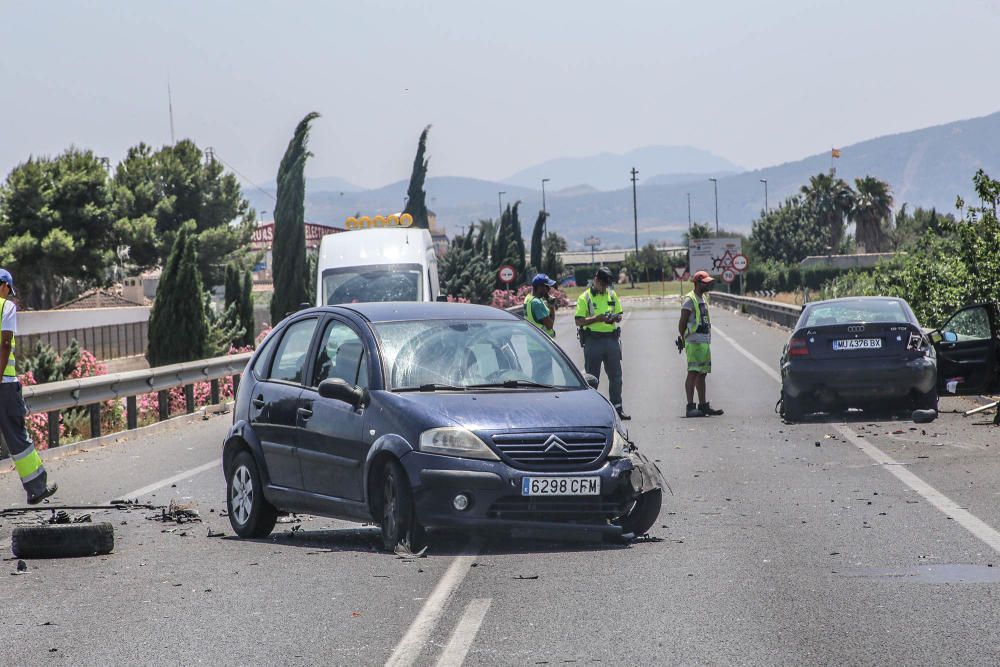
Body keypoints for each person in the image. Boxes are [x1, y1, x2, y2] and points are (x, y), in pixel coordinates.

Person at [0, 269, 58, 504]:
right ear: (4, 286)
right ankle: (36, 487)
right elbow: (4, 344)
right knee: (16, 436)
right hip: (4, 386)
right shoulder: (6, 307)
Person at [575, 267, 630, 420]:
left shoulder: (611, 294)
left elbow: (619, 314)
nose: (605, 287)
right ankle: (592, 413)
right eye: (603, 284)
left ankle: (617, 409)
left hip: (611, 340)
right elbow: (578, 320)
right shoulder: (584, 297)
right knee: (592, 378)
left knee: (616, 377)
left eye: (607, 285)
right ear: (596, 280)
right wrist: (597, 319)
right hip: (593, 341)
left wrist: (615, 318)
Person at [678, 270, 724, 418]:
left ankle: (703, 406)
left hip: (704, 342)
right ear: (697, 283)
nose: (709, 284)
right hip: (694, 342)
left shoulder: (703, 298)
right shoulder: (689, 299)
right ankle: (690, 407)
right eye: (706, 283)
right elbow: (682, 323)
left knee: (702, 374)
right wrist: (684, 339)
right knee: (693, 372)